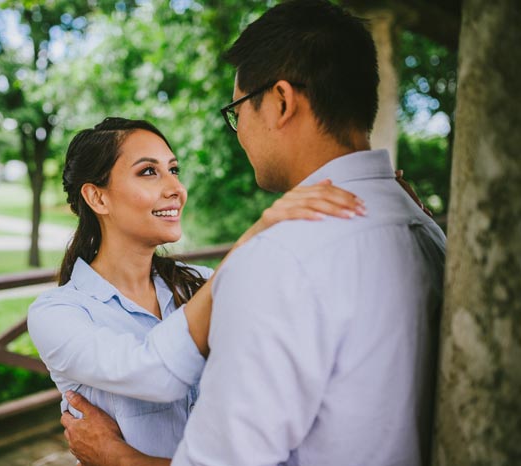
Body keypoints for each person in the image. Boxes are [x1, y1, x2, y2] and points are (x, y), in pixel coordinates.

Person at [60, 1, 447, 466]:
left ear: (281, 101)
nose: (239, 130)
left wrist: (112, 456)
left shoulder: (281, 260)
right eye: (148, 172)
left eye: (237, 109)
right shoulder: (426, 229)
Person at [27, 117, 365, 458]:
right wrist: (254, 236)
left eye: (174, 170)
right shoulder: (58, 314)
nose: (176, 188)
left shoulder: (200, 282)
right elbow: (154, 374)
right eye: (148, 172)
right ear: (97, 198)